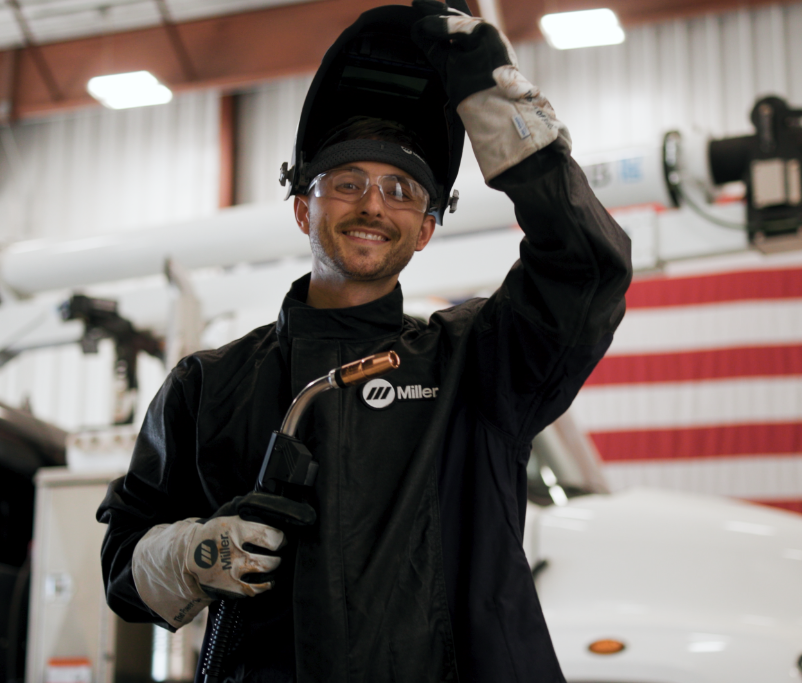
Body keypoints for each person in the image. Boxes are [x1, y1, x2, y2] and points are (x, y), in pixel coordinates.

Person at [97, 3, 632, 682]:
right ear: (303, 208)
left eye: (401, 190)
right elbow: (121, 564)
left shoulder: (478, 361)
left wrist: (495, 99)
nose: (373, 205)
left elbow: (587, 266)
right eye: (345, 182)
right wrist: (198, 551)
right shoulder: (207, 386)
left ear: (427, 228)